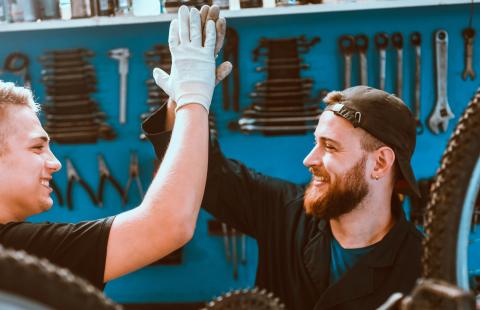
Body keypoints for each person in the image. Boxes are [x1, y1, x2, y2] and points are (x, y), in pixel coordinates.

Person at [0, 5, 231, 290]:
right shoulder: (15, 250)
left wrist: (176, 106)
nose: (56, 163)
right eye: (37, 148)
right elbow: (167, 225)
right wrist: (194, 98)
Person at [144, 85, 423, 309]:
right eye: (316, 143)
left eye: (330, 147)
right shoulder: (284, 210)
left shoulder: (423, 264)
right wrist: (182, 97)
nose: (309, 159)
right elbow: (207, 175)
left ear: (380, 163)